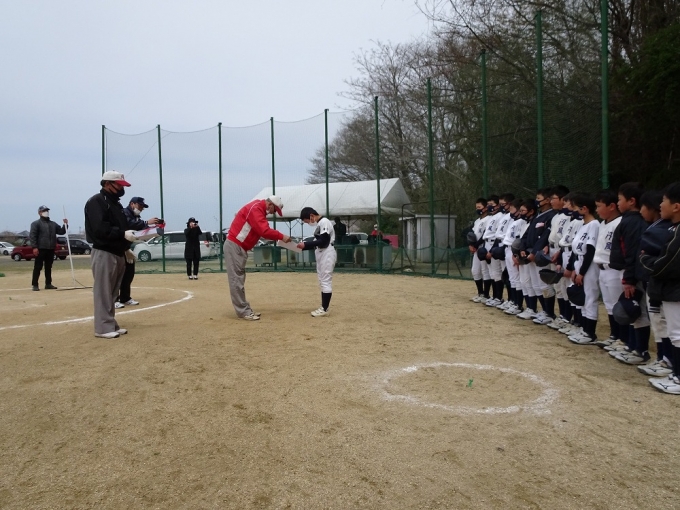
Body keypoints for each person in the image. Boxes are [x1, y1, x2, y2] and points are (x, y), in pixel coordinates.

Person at [84, 170, 137, 339]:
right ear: (107, 184)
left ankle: (110, 323)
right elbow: (100, 228)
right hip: (104, 251)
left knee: (113, 292)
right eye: (119, 185)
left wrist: (125, 247)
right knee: (103, 292)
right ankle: (102, 328)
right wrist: (122, 234)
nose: (122, 189)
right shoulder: (96, 201)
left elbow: (122, 227)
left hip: (117, 252)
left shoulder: (116, 204)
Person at [225, 195, 291, 320]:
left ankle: (245, 309)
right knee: (236, 280)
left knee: (239, 279)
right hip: (235, 245)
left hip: (238, 246)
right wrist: (281, 236)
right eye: (275, 210)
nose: (274, 213)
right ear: (270, 205)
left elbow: (261, 230)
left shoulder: (258, 209)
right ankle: (243, 311)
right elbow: (264, 231)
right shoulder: (256, 209)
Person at [642, 181, 680, 394]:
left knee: (677, 334)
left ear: (676, 206)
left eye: (664, 201)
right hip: (672, 289)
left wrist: (645, 259)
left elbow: (664, 266)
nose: (660, 205)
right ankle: (676, 374)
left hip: (675, 289)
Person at [565, 192, 601, 344]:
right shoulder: (583, 224)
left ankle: (590, 333)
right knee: (583, 298)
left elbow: (590, 250)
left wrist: (582, 272)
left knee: (590, 298)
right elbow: (576, 250)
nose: (573, 210)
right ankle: (584, 329)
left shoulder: (594, 224)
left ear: (584, 209)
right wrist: (575, 269)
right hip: (579, 262)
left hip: (589, 264)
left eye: (576, 208)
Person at [116, 197, 160, 308]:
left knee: (129, 273)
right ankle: (114, 299)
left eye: (142, 207)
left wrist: (153, 228)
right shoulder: (124, 213)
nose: (141, 208)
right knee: (116, 275)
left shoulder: (136, 217)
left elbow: (139, 229)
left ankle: (125, 297)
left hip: (126, 248)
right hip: (117, 248)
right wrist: (146, 222)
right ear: (132, 204)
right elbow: (128, 225)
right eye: (139, 206)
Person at [297, 207, 336, 317]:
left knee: (325, 280)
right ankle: (324, 307)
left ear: (311, 216)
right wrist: (302, 247)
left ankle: (324, 308)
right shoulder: (320, 224)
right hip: (321, 252)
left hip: (327, 252)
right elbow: (318, 242)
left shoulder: (324, 222)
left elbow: (324, 241)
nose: (309, 223)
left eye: (307, 221)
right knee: (322, 280)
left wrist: (305, 244)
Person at [29, 205, 68, 291]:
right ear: (39, 213)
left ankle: (48, 283)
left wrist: (65, 224)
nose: (46, 212)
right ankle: (35, 284)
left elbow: (61, 231)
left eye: (47, 211)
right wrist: (34, 247)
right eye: (44, 211)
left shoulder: (53, 224)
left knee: (48, 267)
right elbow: (32, 236)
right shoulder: (36, 224)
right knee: (38, 267)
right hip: (40, 248)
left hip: (51, 248)